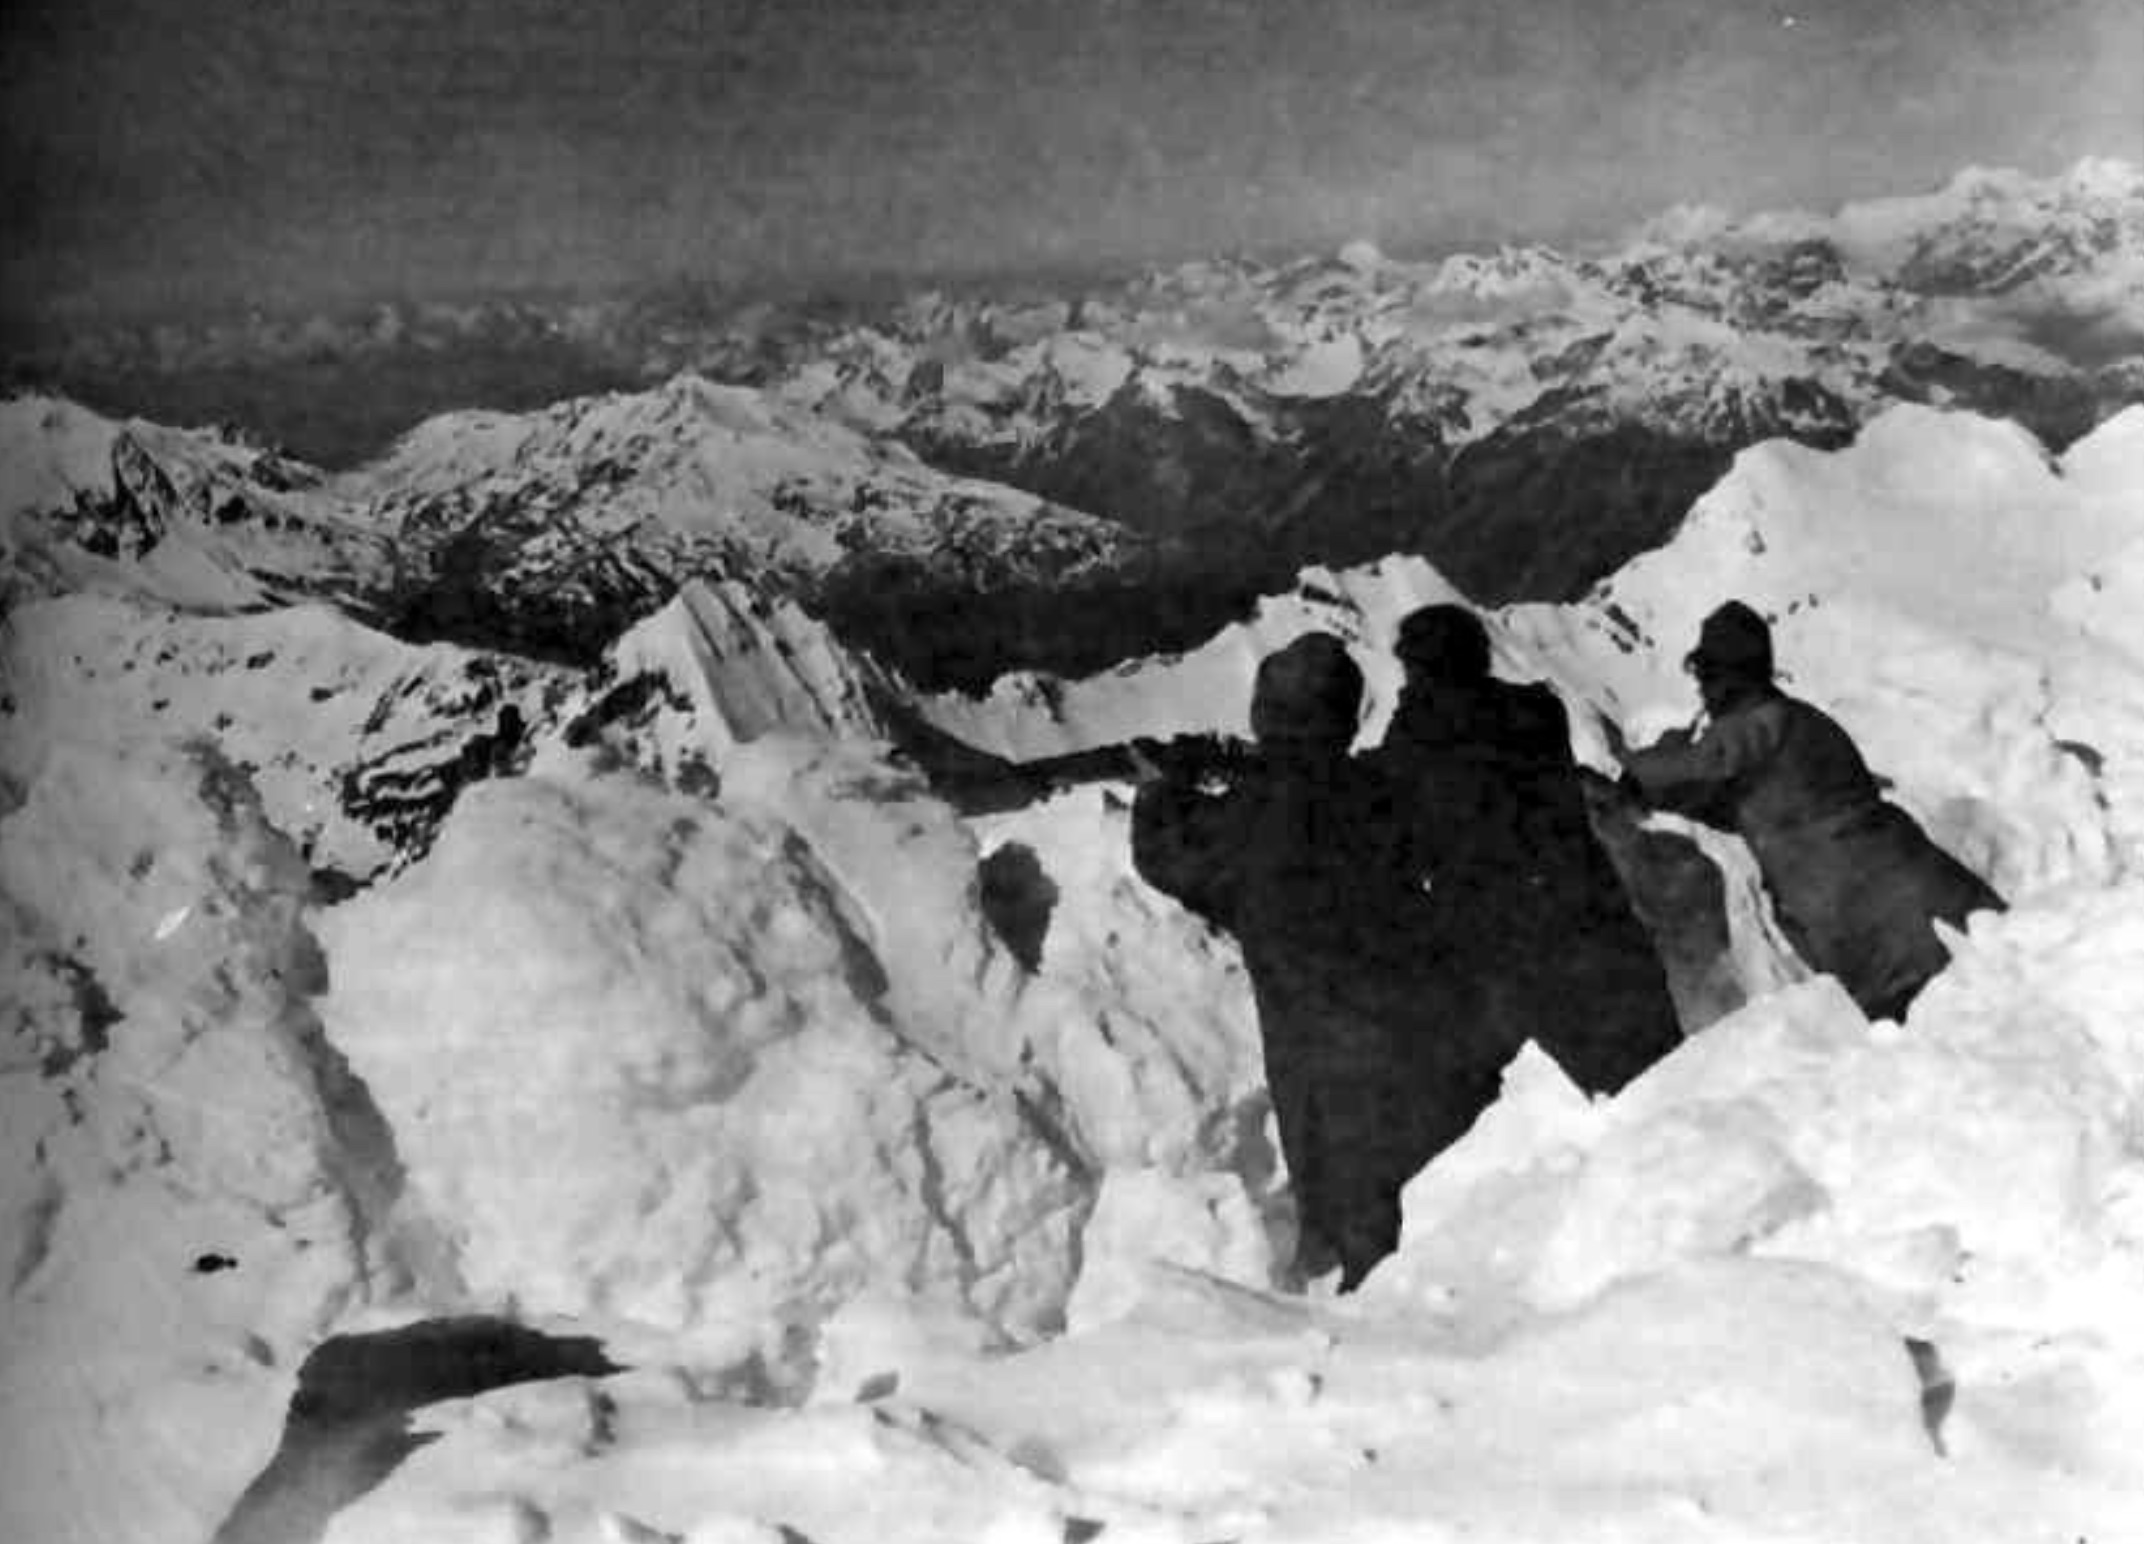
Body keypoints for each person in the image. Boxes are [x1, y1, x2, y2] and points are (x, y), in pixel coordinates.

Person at [1130, 632, 1499, 1290]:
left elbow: (1170, 857)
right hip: (1431, 1031)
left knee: (1364, 1234)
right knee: (1446, 1213)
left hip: (1324, 1053)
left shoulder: (1246, 817)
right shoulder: (1381, 788)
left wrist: (1162, 789)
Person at [1606, 600, 2004, 1022]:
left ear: (1726, 677)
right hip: (1926, 888)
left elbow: (1697, 769)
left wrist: (1640, 768)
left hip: (1869, 919)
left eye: (1705, 674)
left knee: (1937, 1031)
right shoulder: (1805, 722)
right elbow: (1737, 804)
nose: (1701, 688)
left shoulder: (1757, 726)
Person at [1372, 604, 1683, 1094]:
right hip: (1595, 921)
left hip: (1513, 954)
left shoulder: (1411, 745)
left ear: (1419, 669)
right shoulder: (1538, 711)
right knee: (1666, 1077)